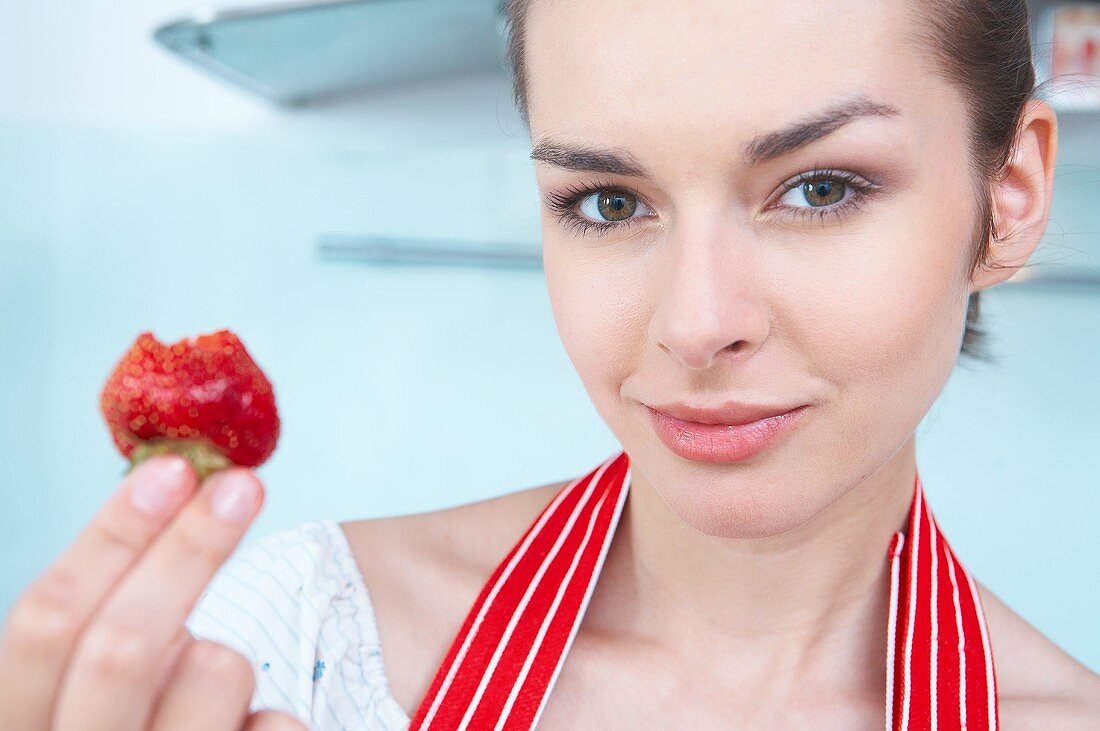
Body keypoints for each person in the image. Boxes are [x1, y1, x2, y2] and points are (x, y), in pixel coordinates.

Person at [2, 0, 1098, 729]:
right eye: (607, 202)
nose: (694, 321)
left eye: (819, 187)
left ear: (1008, 201)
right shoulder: (285, 645)